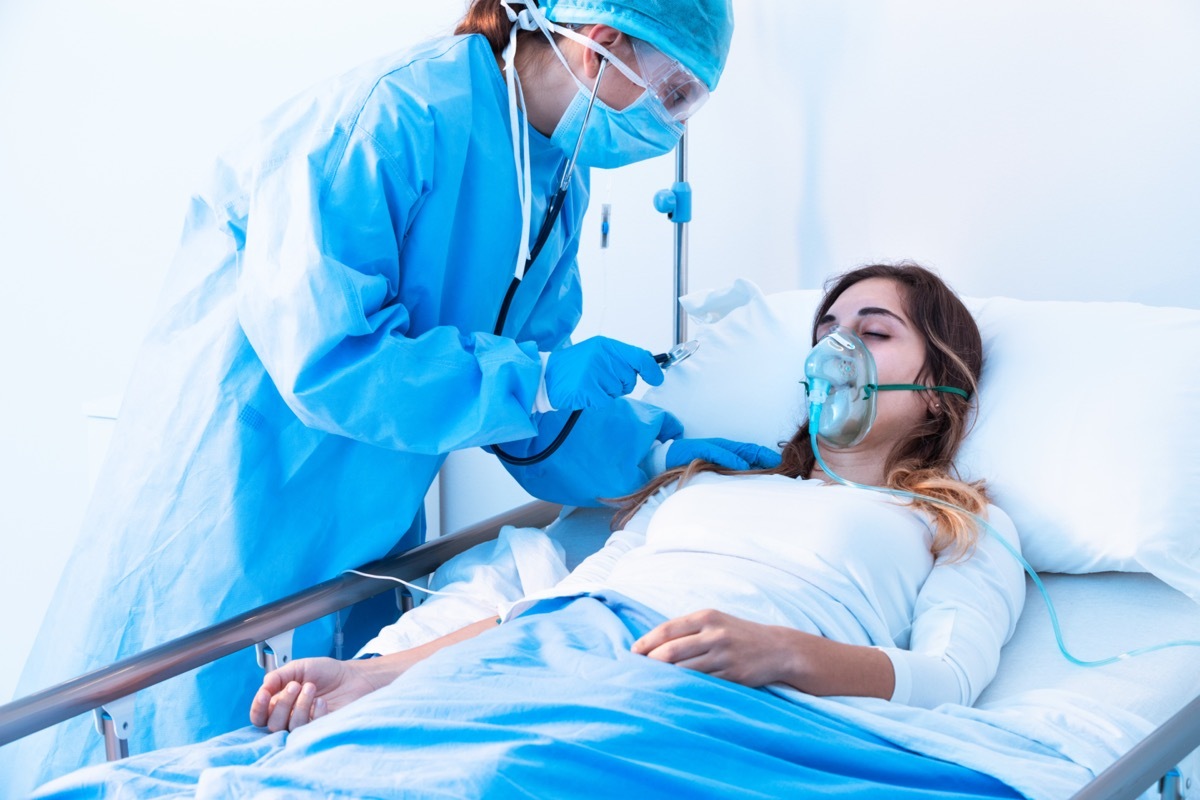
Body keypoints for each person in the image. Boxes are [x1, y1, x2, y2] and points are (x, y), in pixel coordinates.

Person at [2, 1, 778, 794]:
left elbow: (535, 401)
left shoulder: (555, 182)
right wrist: (536, 378)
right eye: (674, 93)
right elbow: (332, 355)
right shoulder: (391, 115)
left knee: (318, 749)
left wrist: (648, 457)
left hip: (368, 516)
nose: (673, 124)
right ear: (600, 46)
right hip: (234, 493)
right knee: (160, 744)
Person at [31, 264, 1029, 799]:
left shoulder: (956, 524)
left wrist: (781, 650)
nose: (838, 349)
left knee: (500, 773)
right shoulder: (709, 482)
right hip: (567, 643)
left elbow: (947, 679)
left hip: (722, 689)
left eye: (875, 331)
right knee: (363, 749)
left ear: (941, 383)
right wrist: (382, 674)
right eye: (828, 330)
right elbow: (564, 601)